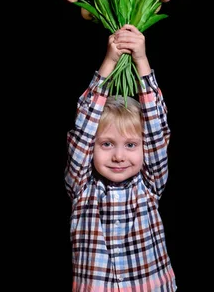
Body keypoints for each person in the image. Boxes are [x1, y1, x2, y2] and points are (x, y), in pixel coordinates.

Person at [65, 24, 177, 291]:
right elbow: (84, 128)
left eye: (130, 144)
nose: (118, 156)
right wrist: (109, 61)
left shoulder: (149, 185)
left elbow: (156, 127)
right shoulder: (81, 188)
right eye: (106, 144)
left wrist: (141, 59)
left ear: (144, 148)